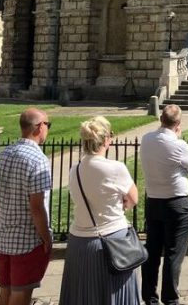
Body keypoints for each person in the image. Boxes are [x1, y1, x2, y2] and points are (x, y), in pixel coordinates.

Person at [59, 116, 140, 304]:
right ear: (106, 140)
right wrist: (122, 205)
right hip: (111, 242)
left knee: (83, 296)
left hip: (79, 243)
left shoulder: (75, 170)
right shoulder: (115, 168)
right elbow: (133, 198)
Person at [0, 108, 52, 305]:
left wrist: (5, 221)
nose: (47, 129)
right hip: (27, 241)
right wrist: (46, 238)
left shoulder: (4, 154)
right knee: (21, 295)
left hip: (4, 238)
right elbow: (37, 207)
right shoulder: (38, 159)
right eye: (47, 125)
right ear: (39, 127)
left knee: (5, 293)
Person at [140, 104, 188, 305]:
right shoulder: (178, 145)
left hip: (154, 200)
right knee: (174, 253)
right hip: (176, 203)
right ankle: (170, 298)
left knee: (153, 251)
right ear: (178, 124)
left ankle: (149, 296)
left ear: (161, 119)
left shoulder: (147, 139)